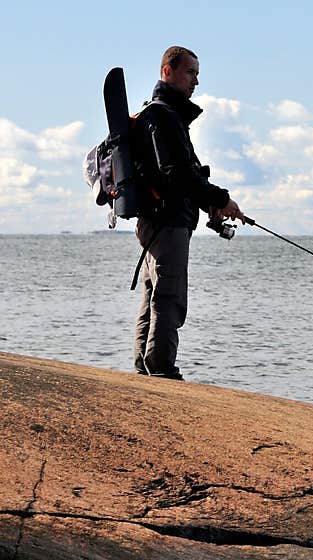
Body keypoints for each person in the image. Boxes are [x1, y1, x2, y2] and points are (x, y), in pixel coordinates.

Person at [132, 46, 244, 380]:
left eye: (196, 73)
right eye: (190, 72)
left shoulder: (159, 113)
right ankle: (162, 368)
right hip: (168, 221)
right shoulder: (164, 115)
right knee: (169, 297)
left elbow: (180, 175)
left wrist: (210, 202)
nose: (196, 81)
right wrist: (220, 198)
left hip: (155, 219)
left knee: (153, 294)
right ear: (168, 71)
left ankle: (143, 365)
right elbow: (179, 173)